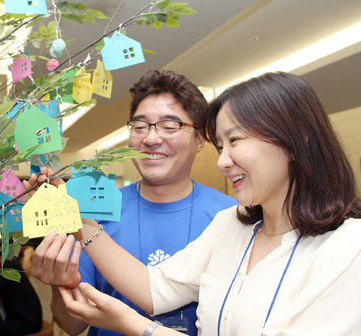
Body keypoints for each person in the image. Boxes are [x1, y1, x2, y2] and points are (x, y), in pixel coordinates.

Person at [39, 72, 361, 335]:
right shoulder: (232, 225)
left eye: (235, 141)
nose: (222, 161)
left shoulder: (348, 247)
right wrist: (76, 217)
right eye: (221, 145)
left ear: (296, 139)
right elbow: (155, 288)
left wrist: (137, 327)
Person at [28, 70, 236, 336]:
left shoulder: (230, 217)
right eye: (140, 126)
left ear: (199, 140)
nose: (150, 139)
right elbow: (73, 325)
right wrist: (59, 284)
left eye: (169, 126)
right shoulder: (93, 214)